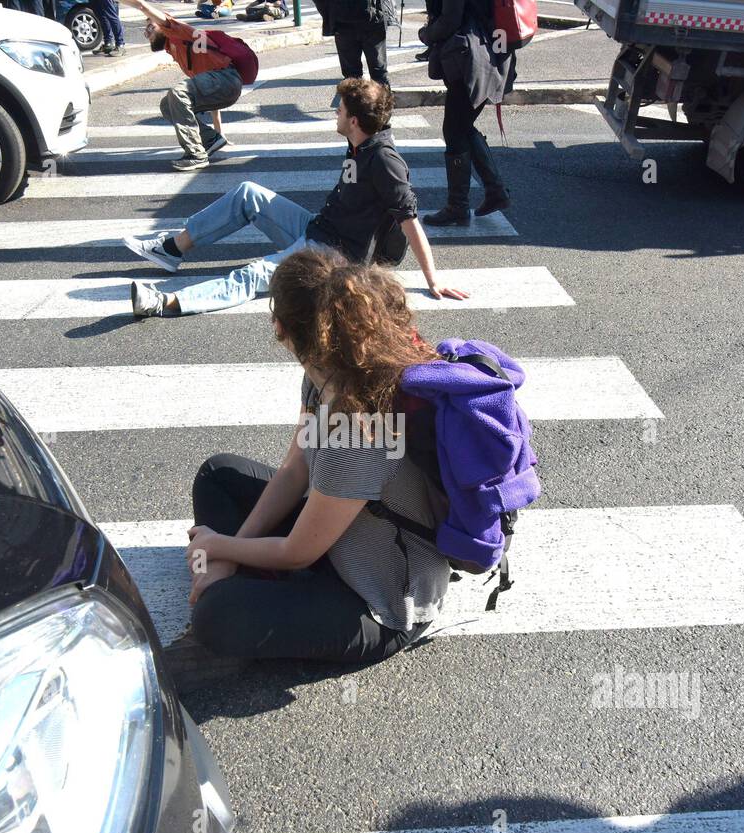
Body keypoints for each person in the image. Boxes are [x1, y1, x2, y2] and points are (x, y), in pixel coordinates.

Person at [185, 247, 452, 662]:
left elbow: (298, 552)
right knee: (218, 473)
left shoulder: (357, 427)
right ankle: (237, 575)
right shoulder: (324, 375)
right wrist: (227, 550)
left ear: (282, 329)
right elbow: (293, 472)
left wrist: (217, 547)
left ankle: (240, 582)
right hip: (338, 537)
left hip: (382, 600)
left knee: (217, 615)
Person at [124, 77, 468, 318]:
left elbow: (410, 221)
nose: (334, 113)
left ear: (354, 120)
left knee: (254, 274)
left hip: (335, 256)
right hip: (319, 229)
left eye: (339, 110)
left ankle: (164, 302)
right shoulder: (359, 142)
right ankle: (172, 249)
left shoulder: (384, 161)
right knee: (250, 194)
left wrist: (433, 279)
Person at [418, 0, 514, 226]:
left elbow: (451, 19)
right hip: (488, 53)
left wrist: (426, 34)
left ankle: (458, 206)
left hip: (474, 60)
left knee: (453, 130)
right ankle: (495, 190)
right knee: (461, 127)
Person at [127, 0, 240, 171]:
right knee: (168, 105)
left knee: (178, 94)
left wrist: (136, 5)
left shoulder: (178, 32)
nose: (147, 33)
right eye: (146, 30)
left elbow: (142, 6)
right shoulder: (176, 49)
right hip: (223, 85)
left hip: (227, 79)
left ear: (161, 23)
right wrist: (218, 133)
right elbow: (207, 90)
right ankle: (210, 139)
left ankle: (196, 155)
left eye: (150, 26)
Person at [314, 0, 397, 88]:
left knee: (353, 77)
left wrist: (330, 14)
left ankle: (358, 99)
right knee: (377, 74)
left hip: (347, 22)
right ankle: (381, 99)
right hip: (369, 20)